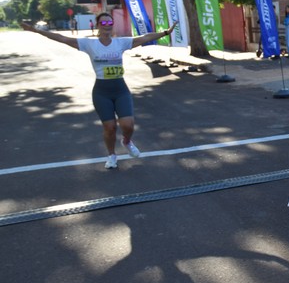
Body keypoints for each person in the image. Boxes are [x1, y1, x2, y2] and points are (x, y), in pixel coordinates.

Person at [21, 13, 176, 169]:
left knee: (128, 125)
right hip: (102, 92)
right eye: (103, 22)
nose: (107, 24)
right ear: (98, 25)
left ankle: (127, 141)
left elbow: (144, 38)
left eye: (110, 21)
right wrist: (36, 31)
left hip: (120, 89)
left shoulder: (120, 43)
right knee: (110, 128)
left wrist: (165, 32)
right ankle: (111, 156)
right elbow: (62, 38)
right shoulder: (90, 44)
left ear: (112, 24)